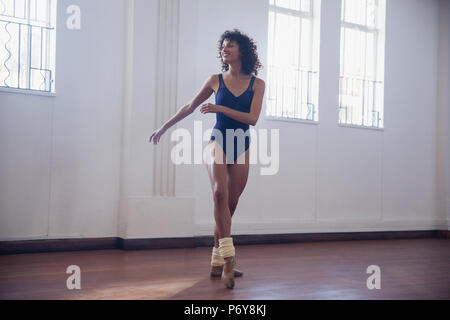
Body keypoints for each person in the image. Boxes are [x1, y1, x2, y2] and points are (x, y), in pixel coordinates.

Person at [149, 29, 265, 289]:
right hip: (219, 140)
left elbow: (252, 119)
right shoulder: (215, 80)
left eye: (231, 45)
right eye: (223, 46)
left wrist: (220, 107)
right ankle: (228, 260)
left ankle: (216, 259)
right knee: (219, 195)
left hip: (242, 143)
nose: (225, 49)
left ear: (242, 51)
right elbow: (189, 106)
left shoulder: (258, 83)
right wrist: (163, 128)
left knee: (230, 205)